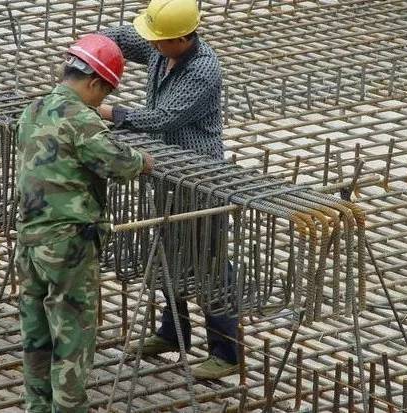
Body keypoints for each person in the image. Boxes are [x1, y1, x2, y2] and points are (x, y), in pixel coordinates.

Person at [99, 0, 239, 380]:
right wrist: (92, 48)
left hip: (199, 175)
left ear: (182, 38)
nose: (154, 48)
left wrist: (105, 110)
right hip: (165, 170)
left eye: (160, 43)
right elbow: (123, 37)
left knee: (207, 260)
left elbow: (162, 117)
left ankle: (225, 353)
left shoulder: (203, 69)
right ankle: (172, 332)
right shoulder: (163, 46)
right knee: (166, 249)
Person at [15, 34, 154, 413]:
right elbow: (118, 163)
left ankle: (37, 406)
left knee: (36, 330)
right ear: (94, 82)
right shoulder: (81, 119)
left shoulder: (34, 108)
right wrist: (142, 159)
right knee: (72, 331)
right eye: (103, 94)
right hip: (67, 245)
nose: (101, 103)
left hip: (29, 239)